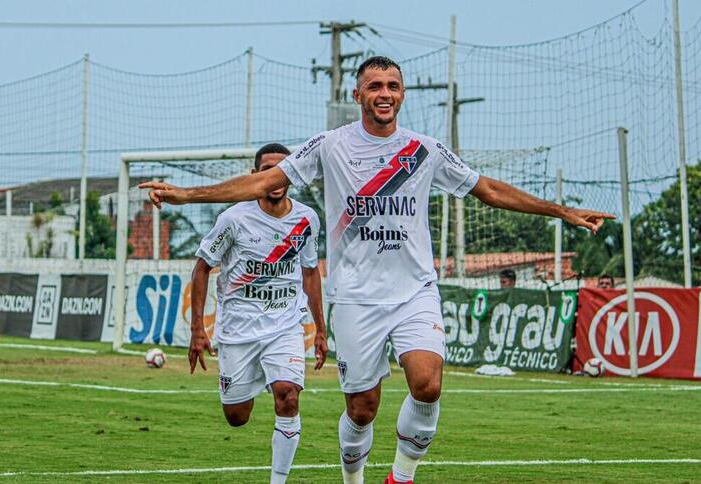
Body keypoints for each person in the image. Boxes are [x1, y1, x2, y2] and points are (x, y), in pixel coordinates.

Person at [140, 56, 613, 484]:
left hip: (414, 291)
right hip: (355, 299)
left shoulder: (424, 150)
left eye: (392, 85)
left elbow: (485, 188)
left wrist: (562, 211)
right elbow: (265, 180)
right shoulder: (329, 146)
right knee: (362, 410)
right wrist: (187, 194)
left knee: (427, 383)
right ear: (358, 96)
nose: (384, 93)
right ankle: (355, 478)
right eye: (374, 86)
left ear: (402, 94)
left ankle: (402, 477)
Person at [189, 143, 328, 484]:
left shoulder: (307, 220)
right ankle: (252, 385)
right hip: (238, 331)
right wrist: (197, 330)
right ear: (254, 177)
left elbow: (310, 272)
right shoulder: (233, 219)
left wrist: (322, 329)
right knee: (237, 416)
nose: (274, 177)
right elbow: (202, 268)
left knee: (288, 395)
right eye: (266, 169)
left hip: (284, 326)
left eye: (281, 169)